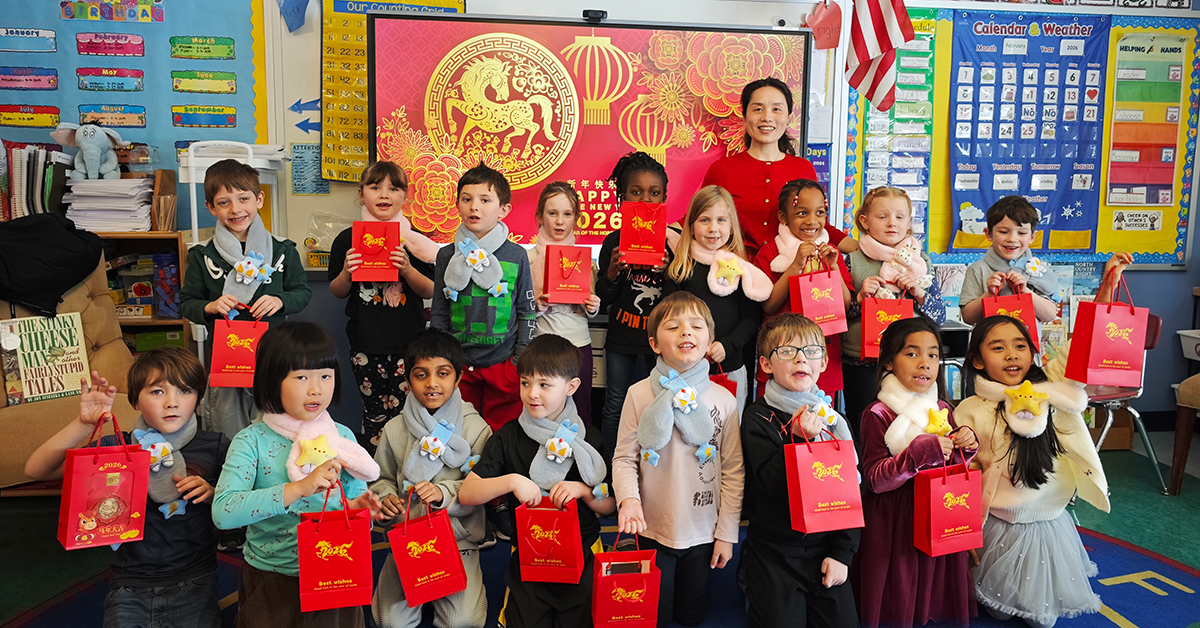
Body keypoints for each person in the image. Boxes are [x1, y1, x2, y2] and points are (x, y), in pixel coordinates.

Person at [952, 253, 1129, 628]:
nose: (1011, 354)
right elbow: (963, 469)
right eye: (997, 348)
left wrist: (1106, 291)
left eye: (1019, 345)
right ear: (978, 361)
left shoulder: (1053, 388)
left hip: (1046, 521)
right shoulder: (971, 408)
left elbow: (1082, 344)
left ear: (1033, 351)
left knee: (1041, 617)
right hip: (998, 521)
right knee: (996, 607)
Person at [25, 347, 229, 628]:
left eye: (185, 391)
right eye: (157, 392)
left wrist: (213, 492)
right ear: (135, 400)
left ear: (198, 396)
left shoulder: (215, 445)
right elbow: (37, 470)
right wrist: (83, 425)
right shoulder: (117, 446)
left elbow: (239, 501)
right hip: (130, 579)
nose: (172, 402)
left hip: (194, 577)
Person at [213, 321, 384, 628]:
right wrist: (299, 489)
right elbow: (224, 513)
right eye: (302, 377)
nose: (316, 388)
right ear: (271, 379)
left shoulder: (340, 435)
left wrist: (361, 510)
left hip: (336, 573)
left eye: (325, 376)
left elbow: (352, 502)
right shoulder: (251, 440)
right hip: (273, 576)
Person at [459, 334, 614, 628]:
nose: (532, 394)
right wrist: (511, 481)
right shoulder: (508, 435)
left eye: (544, 385)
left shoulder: (589, 438)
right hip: (530, 555)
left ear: (571, 387)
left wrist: (583, 491)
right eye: (525, 382)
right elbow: (468, 493)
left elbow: (608, 505)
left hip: (583, 552)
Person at [613, 292, 745, 628]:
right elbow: (625, 458)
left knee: (691, 617)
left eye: (696, 326)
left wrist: (727, 533)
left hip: (703, 533)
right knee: (654, 617)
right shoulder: (639, 394)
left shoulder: (724, 399)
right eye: (674, 327)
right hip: (651, 530)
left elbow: (732, 470)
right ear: (655, 344)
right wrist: (628, 500)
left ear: (709, 340)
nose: (686, 332)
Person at [854, 317, 977, 628]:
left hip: (935, 509)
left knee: (933, 575)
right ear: (889, 363)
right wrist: (920, 454)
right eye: (912, 354)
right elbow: (876, 479)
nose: (925, 363)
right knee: (900, 581)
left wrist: (965, 446)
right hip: (894, 517)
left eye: (933, 355)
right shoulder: (877, 413)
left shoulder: (942, 407)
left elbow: (949, 461)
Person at [179, 159, 312, 441]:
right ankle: (230, 480)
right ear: (211, 207)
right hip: (227, 358)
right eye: (224, 202)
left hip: (272, 355)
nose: (236, 209)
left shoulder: (282, 249)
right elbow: (187, 302)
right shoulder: (202, 254)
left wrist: (280, 300)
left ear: (259, 199)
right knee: (227, 428)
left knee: (275, 426)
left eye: (243, 199)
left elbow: (302, 293)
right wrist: (209, 306)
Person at [740, 314, 859, 628]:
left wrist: (842, 553)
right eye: (787, 351)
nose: (801, 358)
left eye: (811, 351)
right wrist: (798, 439)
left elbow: (849, 493)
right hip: (774, 551)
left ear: (823, 362)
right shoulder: (757, 417)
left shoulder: (834, 419)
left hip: (826, 547)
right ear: (766, 364)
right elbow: (770, 482)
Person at [371, 329, 492, 628]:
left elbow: (482, 487)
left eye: (443, 373)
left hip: (458, 539)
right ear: (408, 381)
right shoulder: (395, 428)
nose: (432, 383)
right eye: (421, 375)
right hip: (408, 539)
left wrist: (443, 494)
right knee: (390, 622)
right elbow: (382, 477)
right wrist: (386, 499)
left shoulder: (476, 429)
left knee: (462, 622)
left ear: (459, 378)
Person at [328, 161, 435, 451]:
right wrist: (347, 272)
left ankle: (407, 475)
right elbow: (337, 291)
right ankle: (374, 478)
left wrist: (408, 270)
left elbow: (431, 290)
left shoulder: (415, 243)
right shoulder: (347, 240)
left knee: (410, 413)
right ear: (362, 195)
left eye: (394, 188)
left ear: (405, 196)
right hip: (366, 343)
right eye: (375, 187)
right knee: (375, 414)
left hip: (408, 344)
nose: (384, 194)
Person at [431, 162, 536, 433]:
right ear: (458, 204)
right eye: (466, 199)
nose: (474, 206)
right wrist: (443, 360)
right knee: (458, 430)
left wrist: (518, 362)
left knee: (503, 433)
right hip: (458, 364)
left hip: (503, 364)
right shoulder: (446, 255)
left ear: (504, 210)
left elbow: (526, 310)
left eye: (485, 200)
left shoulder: (516, 255)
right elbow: (440, 310)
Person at [700, 77, 856, 259]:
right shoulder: (723, 169)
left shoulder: (803, 169)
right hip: (734, 274)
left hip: (789, 273)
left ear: (788, 116)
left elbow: (817, 224)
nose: (767, 117)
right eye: (758, 109)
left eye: (776, 109)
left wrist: (868, 251)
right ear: (745, 115)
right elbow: (697, 219)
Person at [842, 187, 946, 439]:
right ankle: (868, 475)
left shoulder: (921, 262)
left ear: (910, 222)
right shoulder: (852, 261)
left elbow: (939, 316)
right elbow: (838, 317)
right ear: (864, 221)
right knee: (864, 423)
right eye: (882, 216)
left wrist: (919, 292)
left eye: (900, 217)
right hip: (861, 361)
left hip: (910, 360)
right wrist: (859, 298)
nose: (892, 223)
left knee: (911, 425)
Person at [595, 151, 676, 458]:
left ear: (664, 198)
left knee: (658, 402)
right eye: (636, 192)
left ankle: (653, 466)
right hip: (621, 339)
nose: (645, 200)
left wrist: (668, 273)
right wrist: (613, 273)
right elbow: (605, 298)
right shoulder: (612, 242)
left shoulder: (672, 242)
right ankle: (612, 467)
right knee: (615, 403)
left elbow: (677, 300)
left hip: (660, 344)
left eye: (654, 193)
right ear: (622, 198)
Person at [664, 185, 771, 410]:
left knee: (729, 433)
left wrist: (727, 345)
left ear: (732, 227)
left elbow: (751, 318)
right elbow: (669, 320)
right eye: (704, 220)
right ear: (691, 226)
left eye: (721, 220)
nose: (713, 228)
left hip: (730, 368)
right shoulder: (680, 269)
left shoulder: (739, 269)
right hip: (685, 370)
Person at [754, 178, 852, 398]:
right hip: (780, 358)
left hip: (821, 360)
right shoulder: (770, 254)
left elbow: (844, 306)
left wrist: (834, 267)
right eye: (801, 213)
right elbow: (769, 305)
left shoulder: (830, 253)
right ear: (783, 217)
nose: (812, 221)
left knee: (821, 423)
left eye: (819, 213)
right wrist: (795, 265)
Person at [527, 181, 602, 425]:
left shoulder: (587, 262)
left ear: (576, 218)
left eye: (567, 214)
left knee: (582, 412)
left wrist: (593, 307)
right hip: (542, 344)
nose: (560, 221)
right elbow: (519, 311)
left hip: (579, 345)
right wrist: (535, 306)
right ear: (540, 217)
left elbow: (589, 305)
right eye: (553, 213)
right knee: (542, 412)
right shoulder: (527, 259)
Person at [959, 196, 1060, 325]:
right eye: (1003, 232)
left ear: (1032, 237)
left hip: (1027, 344)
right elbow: (968, 318)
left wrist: (1025, 292)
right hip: (989, 343)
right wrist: (989, 294)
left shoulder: (1037, 270)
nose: (1012, 239)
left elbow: (1050, 315)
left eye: (1022, 233)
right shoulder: (978, 269)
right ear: (988, 234)